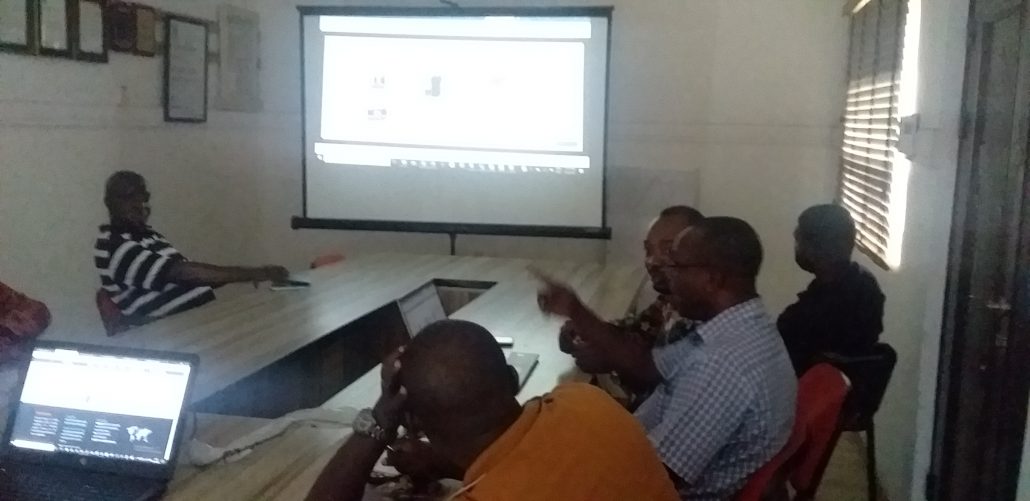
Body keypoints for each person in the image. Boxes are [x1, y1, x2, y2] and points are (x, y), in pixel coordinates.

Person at [536, 217, 796, 499]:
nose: (667, 276)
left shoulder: (722, 364)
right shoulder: (739, 328)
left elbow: (652, 475)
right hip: (638, 453)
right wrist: (576, 310)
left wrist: (573, 466)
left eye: (677, 267)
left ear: (713, 279)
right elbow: (648, 367)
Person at [305, 320, 678, 501]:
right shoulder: (587, 401)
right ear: (513, 380)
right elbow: (536, 462)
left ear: (413, 421)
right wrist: (445, 464)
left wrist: (379, 421)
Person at [94, 171, 289, 324]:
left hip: (197, 323)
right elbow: (184, 273)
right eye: (128, 197)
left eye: (143, 197)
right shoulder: (114, 245)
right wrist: (255, 273)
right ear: (109, 203)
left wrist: (248, 276)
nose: (138, 204)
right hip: (166, 336)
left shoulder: (147, 235)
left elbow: (193, 278)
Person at [558, 205, 703, 407]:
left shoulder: (699, 314)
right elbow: (633, 329)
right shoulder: (669, 300)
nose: (652, 261)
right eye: (648, 250)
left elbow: (660, 382)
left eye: (668, 249)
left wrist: (612, 361)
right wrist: (583, 330)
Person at [778, 204, 885, 375]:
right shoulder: (865, 285)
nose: (797, 246)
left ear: (816, 249)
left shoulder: (806, 316)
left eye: (799, 240)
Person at [0, 281, 50, 363]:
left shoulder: (8, 343)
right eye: (17, 319)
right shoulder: (4, 294)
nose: (14, 325)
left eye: (21, 330)